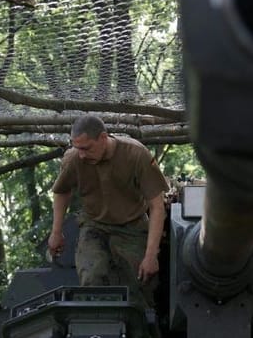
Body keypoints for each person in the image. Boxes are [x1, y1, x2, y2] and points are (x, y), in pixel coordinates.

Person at [48, 114, 168, 308]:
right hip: (94, 224)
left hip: (132, 225)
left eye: (86, 148)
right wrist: (56, 232)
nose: (81, 155)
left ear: (103, 138)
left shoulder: (136, 154)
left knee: (140, 283)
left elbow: (156, 206)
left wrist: (151, 255)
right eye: (77, 148)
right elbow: (62, 192)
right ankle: (97, 331)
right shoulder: (74, 159)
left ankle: (141, 336)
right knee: (91, 276)